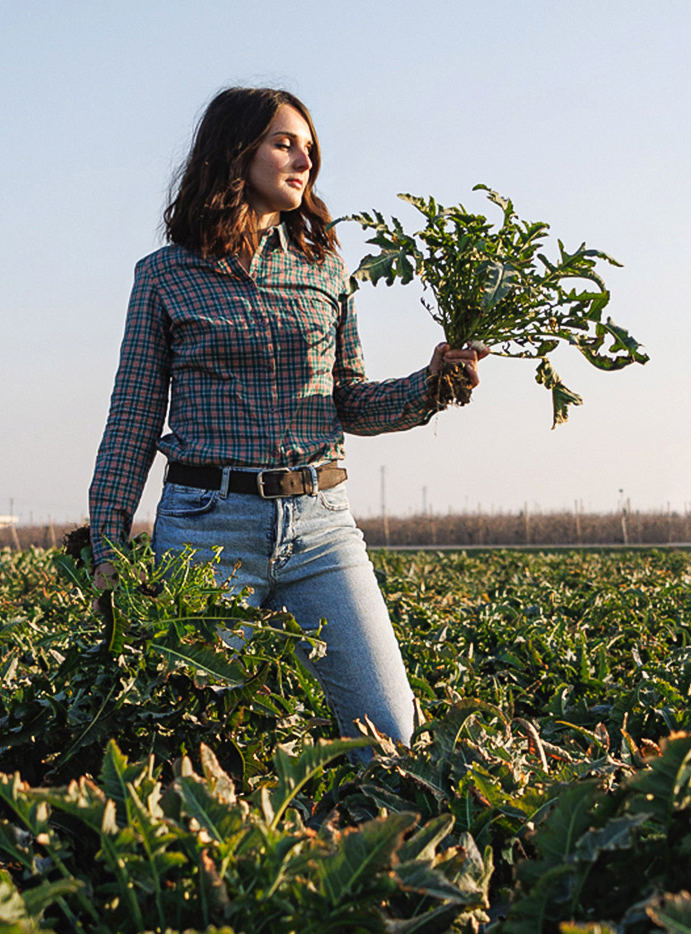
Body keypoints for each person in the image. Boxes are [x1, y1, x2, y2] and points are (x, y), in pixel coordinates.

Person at [88, 87, 487, 747]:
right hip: (205, 533)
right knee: (195, 744)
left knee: (390, 736)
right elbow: (131, 422)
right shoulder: (164, 276)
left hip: (322, 528)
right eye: (284, 142)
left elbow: (350, 401)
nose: (304, 159)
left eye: (310, 147)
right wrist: (106, 546)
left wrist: (432, 382)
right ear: (235, 151)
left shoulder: (326, 268)